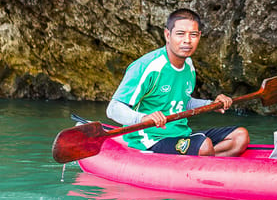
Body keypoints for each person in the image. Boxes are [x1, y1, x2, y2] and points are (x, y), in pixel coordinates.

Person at [106, 8, 250, 156]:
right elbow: (113, 109)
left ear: (199, 36)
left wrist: (211, 104)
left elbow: (183, 103)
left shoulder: (189, 66)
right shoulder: (147, 67)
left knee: (240, 136)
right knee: (204, 146)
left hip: (181, 135)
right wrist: (142, 118)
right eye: (180, 34)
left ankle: (204, 158)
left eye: (193, 35)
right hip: (150, 139)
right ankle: (203, 157)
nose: (187, 40)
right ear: (168, 35)